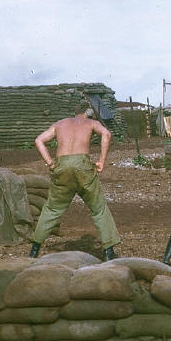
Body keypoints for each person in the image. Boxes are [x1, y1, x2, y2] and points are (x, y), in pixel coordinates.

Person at [29, 102, 120, 261]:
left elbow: (39, 141)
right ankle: (109, 251)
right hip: (83, 166)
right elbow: (107, 135)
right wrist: (102, 161)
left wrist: (50, 162)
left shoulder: (60, 123)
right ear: (89, 112)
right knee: (99, 208)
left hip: (61, 166)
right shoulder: (92, 123)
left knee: (51, 208)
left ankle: (35, 248)